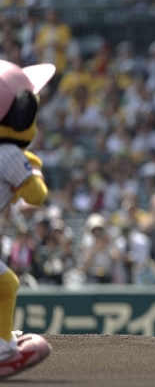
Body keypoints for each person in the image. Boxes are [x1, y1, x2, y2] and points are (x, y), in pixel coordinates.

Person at [0, 60, 55, 377]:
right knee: (5, 284)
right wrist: (32, 170)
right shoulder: (8, 154)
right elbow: (36, 196)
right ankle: (2, 348)